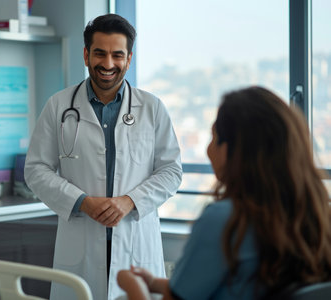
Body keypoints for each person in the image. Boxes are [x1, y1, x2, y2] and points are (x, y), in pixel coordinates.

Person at [117, 86, 331, 300]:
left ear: (233, 150)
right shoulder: (313, 213)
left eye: (214, 137)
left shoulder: (224, 221)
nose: (208, 150)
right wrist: (153, 283)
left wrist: (133, 285)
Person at [24, 14, 182, 300]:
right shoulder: (59, 106)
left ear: (129, 59)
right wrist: (82, 202)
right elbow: (36, 170)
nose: (108, 64)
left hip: (135, 242)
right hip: (80, 245)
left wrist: (130, 201)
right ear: (86, 55)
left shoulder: (152, 108)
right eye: (100, 53)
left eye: (117, 55)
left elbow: (171, 171)